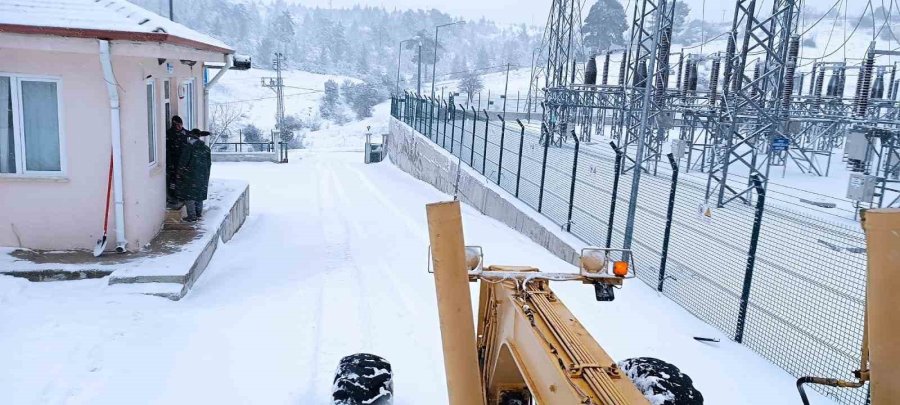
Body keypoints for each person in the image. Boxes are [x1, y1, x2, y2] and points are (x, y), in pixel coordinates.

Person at [176, 129, 212, 222]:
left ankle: (192, 216)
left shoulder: (189, 147)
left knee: (189, 195)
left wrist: (179, 173)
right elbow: (209, 164)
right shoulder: (206, 148)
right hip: (203, 175)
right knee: (199, 194)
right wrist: (205, 174)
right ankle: (199, 213)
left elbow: (183, 162)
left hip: (190, 175)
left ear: (191, 137)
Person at [166, 116, 188, 206]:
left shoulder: (184, 132)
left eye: (181, 125)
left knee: (182, 178)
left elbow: (191, 133)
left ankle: (181, 196)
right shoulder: (170, 133)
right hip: (174, 160)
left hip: (183, 160)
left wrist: (201, 133)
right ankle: (173, 197)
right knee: (173, 180)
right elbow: (167, 149)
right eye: (178, 125)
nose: (179, 127)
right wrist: (170, 163)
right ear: (174, 125)